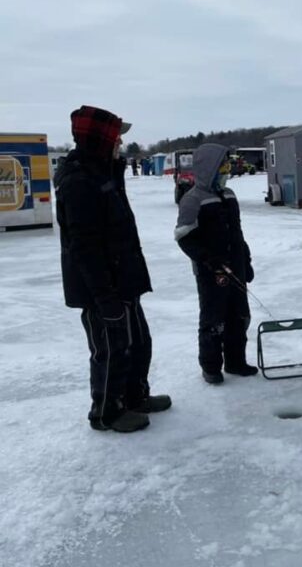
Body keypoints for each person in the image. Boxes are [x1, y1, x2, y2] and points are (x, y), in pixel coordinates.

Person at [54, 105, 171, 432]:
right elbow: (84, 246)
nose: (121, 142)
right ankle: (107, 412)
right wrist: (104, 297)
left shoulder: (103, 171)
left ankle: (134, 397)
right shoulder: (79, 180)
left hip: (124, 278)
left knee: (139, 342)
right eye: (117, 137)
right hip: (100, 287)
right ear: (100, 139)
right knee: (112, 349)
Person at [174, 143, 257, 384]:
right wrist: (209, 260)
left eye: (228, 166)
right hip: (211, 271)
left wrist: (246, 260)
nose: (227, 170)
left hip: (236, 266)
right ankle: (211, 367)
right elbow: (183, 236)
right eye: (224, 165)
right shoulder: (193, 199)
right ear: (210, 168)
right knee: (214, 318)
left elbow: (238, 232)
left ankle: (236, 362)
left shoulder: (229, 195)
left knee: (238, 315)